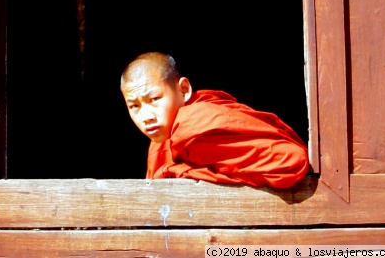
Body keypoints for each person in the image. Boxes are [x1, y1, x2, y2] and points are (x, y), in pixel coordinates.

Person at [120, 51, 309, 189]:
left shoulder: (193, 124)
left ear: (184, 90)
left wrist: (180, 171)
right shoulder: (158, 144)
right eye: (134, 106)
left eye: (154, 100)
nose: (146, 117)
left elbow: (292, 160)